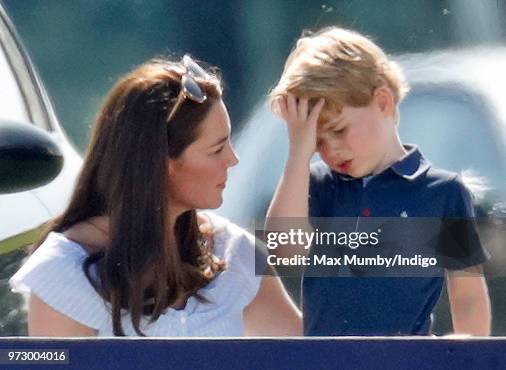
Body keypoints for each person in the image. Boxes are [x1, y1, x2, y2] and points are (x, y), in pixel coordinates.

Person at [9, 55, 301, 337]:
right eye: (216, 149)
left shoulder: (234, 252)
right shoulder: (62, 273)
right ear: (161, 164)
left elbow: (313, 352)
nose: (232, 159)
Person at [266, 26, 491, 336]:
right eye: (317, 142)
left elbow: (467, 293)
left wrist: (466, 354)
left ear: (383, 103)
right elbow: (285, 252)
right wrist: (298, 156)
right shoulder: (315, 184)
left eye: (340, 130)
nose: (330, 150)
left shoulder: (443, 192)